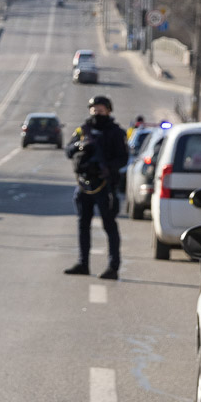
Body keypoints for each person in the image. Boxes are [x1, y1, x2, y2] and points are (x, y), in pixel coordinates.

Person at [65, 95, 126, 280]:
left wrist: (106, 169)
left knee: (109, 225)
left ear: (108, 111)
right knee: (83, 225)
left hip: (105, 186)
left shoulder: (116, 132)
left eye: (101, 110)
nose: (97, 113)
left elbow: (123, 158)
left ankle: (113, 267)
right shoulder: (83, 130)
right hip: (84, 184)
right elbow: (68, 150)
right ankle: (83, 263)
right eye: (94, 109)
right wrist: (80, 146)